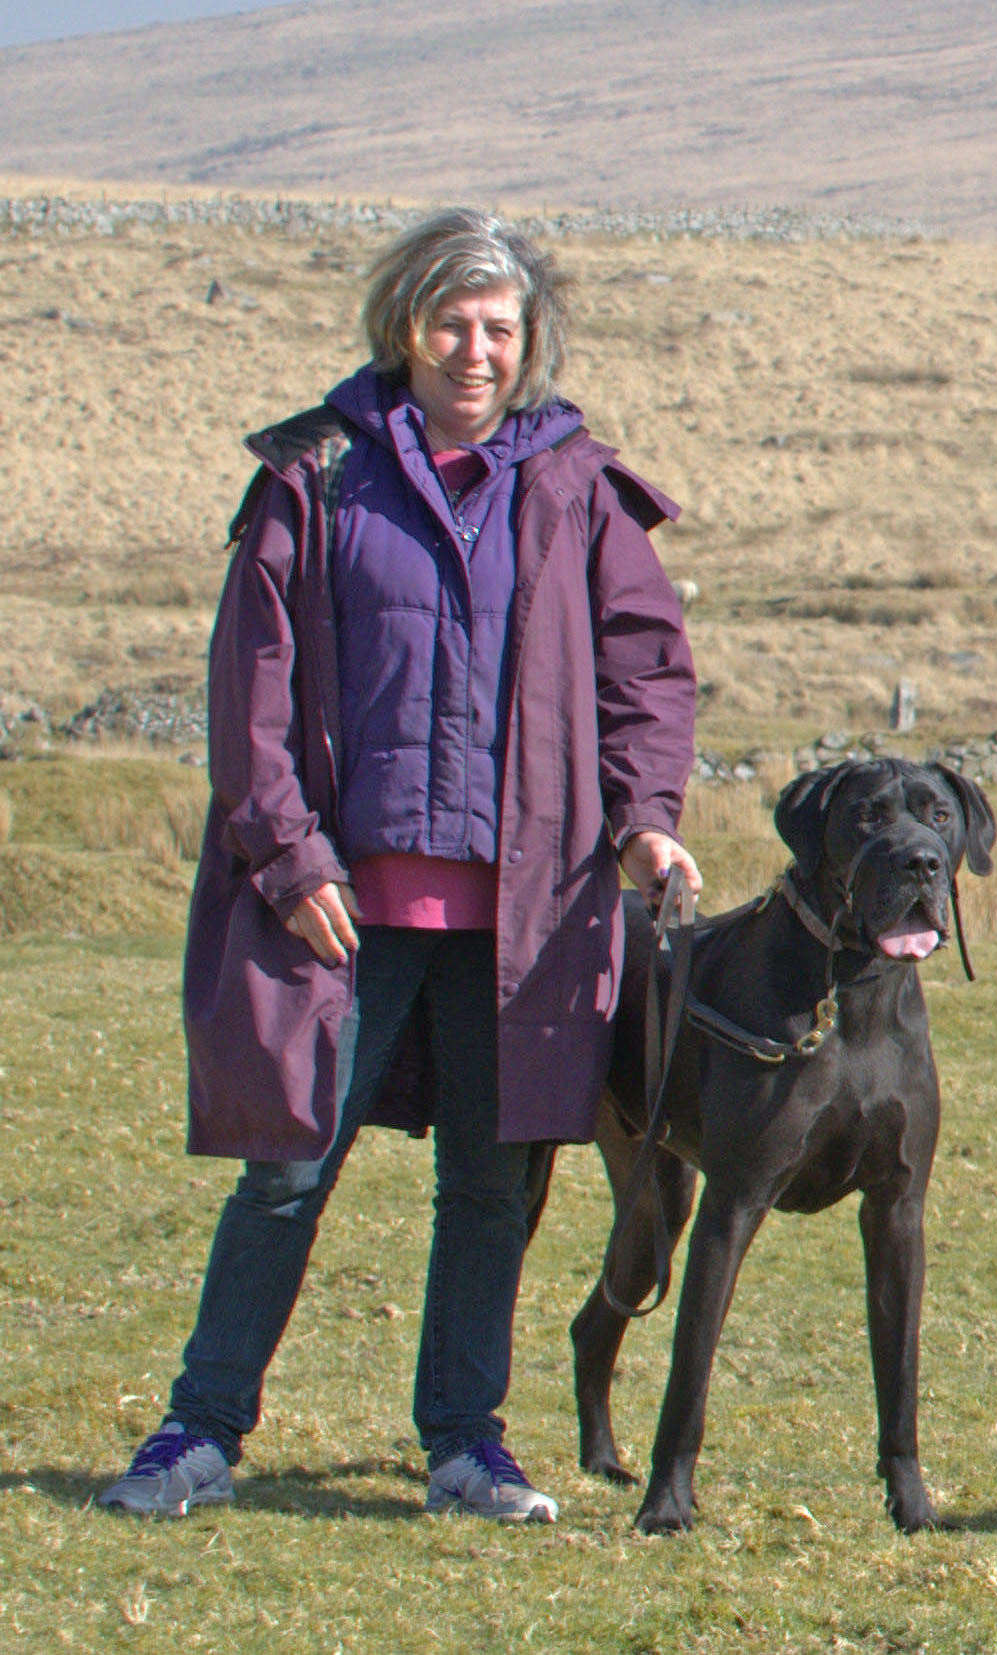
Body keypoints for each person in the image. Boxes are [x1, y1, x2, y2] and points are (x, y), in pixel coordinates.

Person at [100, 208, 699, 1522]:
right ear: (402, 324)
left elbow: (643, 670)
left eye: (499, 327)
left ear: (528, 338)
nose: (474, 350)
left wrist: (646, 810)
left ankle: (465, 1445)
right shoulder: (316, 474)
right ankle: (198, 1430)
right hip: (336, 917)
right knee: (288, 1172)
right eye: (451, 321)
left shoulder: (577, 487)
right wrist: (291, 852)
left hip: (524, 924)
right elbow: (248, 695)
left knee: (492, 1186)